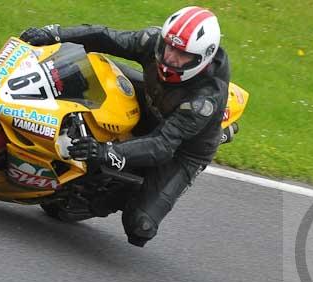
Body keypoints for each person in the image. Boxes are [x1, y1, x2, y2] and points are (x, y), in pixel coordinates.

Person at [20, 6, 230, 247]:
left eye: (182, 55)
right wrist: (55, 34)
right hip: (155, 97)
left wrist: (105, 151)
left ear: (203, 58)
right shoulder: (152, 42)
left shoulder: (205, 98)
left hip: (183, 148)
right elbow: (105, 36)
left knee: (140, 227)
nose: (170, 57)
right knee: (88, 71)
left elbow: (162, 145)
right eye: (169, 47)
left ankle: (118, 194)